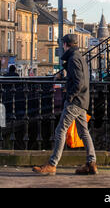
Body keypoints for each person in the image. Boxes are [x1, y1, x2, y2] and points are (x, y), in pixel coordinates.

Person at [33, 34, 97, 176]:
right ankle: (92, 163)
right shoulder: (79, 57)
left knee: (60, 130)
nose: (62, 47)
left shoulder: (73, 59)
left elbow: (78, 83)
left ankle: (52, 164)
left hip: (75, 101)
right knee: (83, 132)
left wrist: (69, 96)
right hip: (82, 100)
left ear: (66, 44)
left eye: (62, 44)